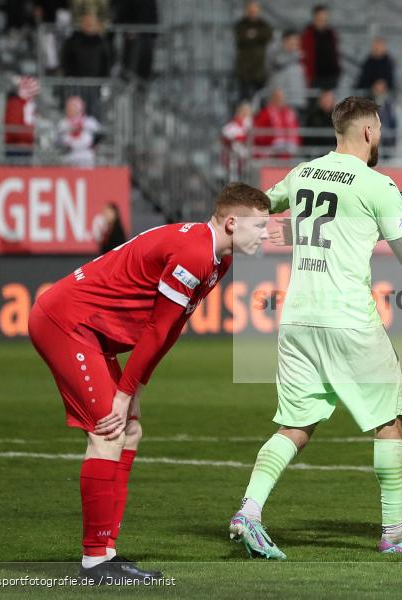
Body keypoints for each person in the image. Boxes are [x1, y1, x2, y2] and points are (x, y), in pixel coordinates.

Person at [228, 96, 402, 558]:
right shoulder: (377, 186)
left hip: (296, 318)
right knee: (389, 420)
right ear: (369, 132)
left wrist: (237, 222)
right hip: (348, 318)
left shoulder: (303, 173)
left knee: (295, 424)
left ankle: (249, 511)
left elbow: (258, 205)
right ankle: (395, 533)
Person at [28, 183, 271, 583]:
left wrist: (135, 387)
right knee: (107, 430)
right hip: (66, 323)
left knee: (130, 430)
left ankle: (107, 551)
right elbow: (157, 329)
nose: (265, 234)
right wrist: (123, 393)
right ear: (232, 223)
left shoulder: (217, 258)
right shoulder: (195, 254)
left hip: (91, 330)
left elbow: (173, 327)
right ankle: (94, 562)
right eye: (260, 225)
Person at [61, 12, 111, 116]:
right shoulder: (73, 40)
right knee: (75, 112)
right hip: (76, 84)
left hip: (95, 84)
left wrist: (104, 80)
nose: (89, 25)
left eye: (92, 23)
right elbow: (66, 59)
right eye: (86, 22)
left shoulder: (102, 42)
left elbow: (106, 62)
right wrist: (69, 75)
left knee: (94, 112)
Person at [233, 0, 272, 104]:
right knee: (244, 99)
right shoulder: (241, 25)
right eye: (250, 9)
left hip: (259, 70)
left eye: (254, 9)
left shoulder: (264, 25)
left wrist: (252, 35)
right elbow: (241, 37)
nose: (252, 11)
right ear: (246, 10)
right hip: (244, 70)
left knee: (261, 99)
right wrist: (256, 35)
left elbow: (267, 35)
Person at [266, 29, 306, 116]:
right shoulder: (276, 55)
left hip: (297, 101)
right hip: (280, 102)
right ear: (284, 41)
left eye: (297, 41)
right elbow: (278, 62)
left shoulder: (299, 58)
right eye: (292, 41)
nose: (295, 44)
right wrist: (295, 56)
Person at [252, 88, 299, 160]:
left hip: (289, 149)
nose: (280, 100)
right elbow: (259, 131)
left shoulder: (289, 113)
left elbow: (296, 131)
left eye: (281, 98)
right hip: (271, 150)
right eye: (277, 98)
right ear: (272, 99)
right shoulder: (266, 113)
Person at [116, 0, 157, 81]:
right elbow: (123, 12)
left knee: (145, 64)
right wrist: (128, 29)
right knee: (131, 66)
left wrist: (154, 33)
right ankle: (129, 85)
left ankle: (143, 85)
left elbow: (153, 13)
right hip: (133, 37)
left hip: (148, 34)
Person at [300, 4, 340, 90]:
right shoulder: (308, 34)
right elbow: (304, 56)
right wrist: (307, 76)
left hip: (331, 77)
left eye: (325, 17)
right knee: (314, 102)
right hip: (315, 78)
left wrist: (337, 72)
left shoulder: (331, 33)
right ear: (314, 17)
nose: (323, 19)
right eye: (320, 17)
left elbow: (335, 53)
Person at [58, 95, 101, 168]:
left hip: (85, 155)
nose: (73, 108)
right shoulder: (63, 123)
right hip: (68, 155)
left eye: (75, 105)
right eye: (71, 105)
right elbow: (59, 139)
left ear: (81, 107)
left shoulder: (90, 121)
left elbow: (99, 135)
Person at [4, 76, 40, 158]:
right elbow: (14, 127)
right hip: (17, 147)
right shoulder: (16, 104)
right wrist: (29, 135)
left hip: (25, 146)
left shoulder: (26, 104)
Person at [221, 101, 252, 177]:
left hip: (248, 160)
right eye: (244, 112)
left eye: (247, 113)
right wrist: (242, 138)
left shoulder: (251, 124)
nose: (245, 115)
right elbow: (226, 136)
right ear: (239, 113)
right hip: (234, 161)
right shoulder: (231, 126)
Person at [369, 79, 396, 156]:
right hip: (374, 132)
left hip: (386, 134)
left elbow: (391, 120)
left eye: (383, 87)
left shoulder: (389, 103)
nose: (381, 89)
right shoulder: (369, 102)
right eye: (379, 87)